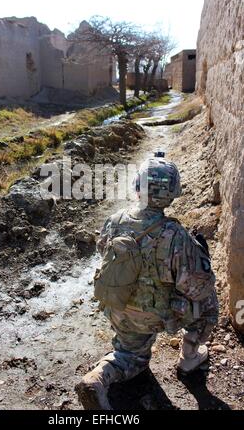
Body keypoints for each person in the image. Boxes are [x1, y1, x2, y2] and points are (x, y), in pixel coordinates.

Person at [75, 155, 218, 410]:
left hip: (119, 309)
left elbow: (104, 255)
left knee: (132, 357)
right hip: (155, 316)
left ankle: (98, 379)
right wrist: (203, 263)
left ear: (137, 187)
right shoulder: (176, 234)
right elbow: (195, 288)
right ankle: (189, 359)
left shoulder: (115, 220)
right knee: (208, 303)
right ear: (172, 193)